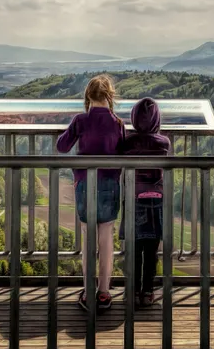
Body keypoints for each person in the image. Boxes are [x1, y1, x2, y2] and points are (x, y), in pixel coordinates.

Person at [55, 74, 124, 312]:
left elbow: (62, 146)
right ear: (110, 96)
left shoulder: (80, 120)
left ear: (88, 96)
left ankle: (87, 291)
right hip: (110, 184)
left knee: (87, 239)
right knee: (106, 239)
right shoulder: (117, 123)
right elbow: (123, 152)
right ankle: (104, 292)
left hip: (84, 184)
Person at [118, 98, 170, 307]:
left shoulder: (128, 142)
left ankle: (132, 291)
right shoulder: (164, 143)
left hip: (134, 199)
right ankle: (148, 291)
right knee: (151, 251)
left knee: (133, 250)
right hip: (157, 200)